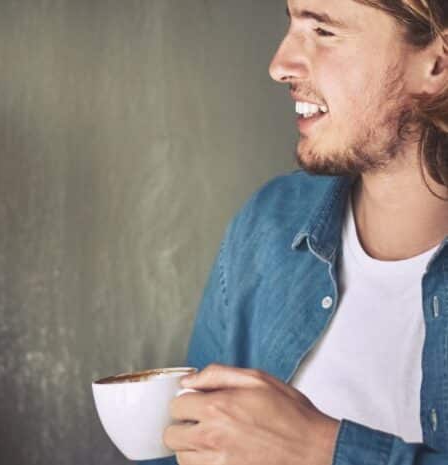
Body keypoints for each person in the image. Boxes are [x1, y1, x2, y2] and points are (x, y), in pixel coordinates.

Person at [150, 0, 448, 464]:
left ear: (437, 64)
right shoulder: (270, 223)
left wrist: (321, 449)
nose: (279, 65)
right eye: (291, 23)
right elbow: (190, 441)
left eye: (324, 31)